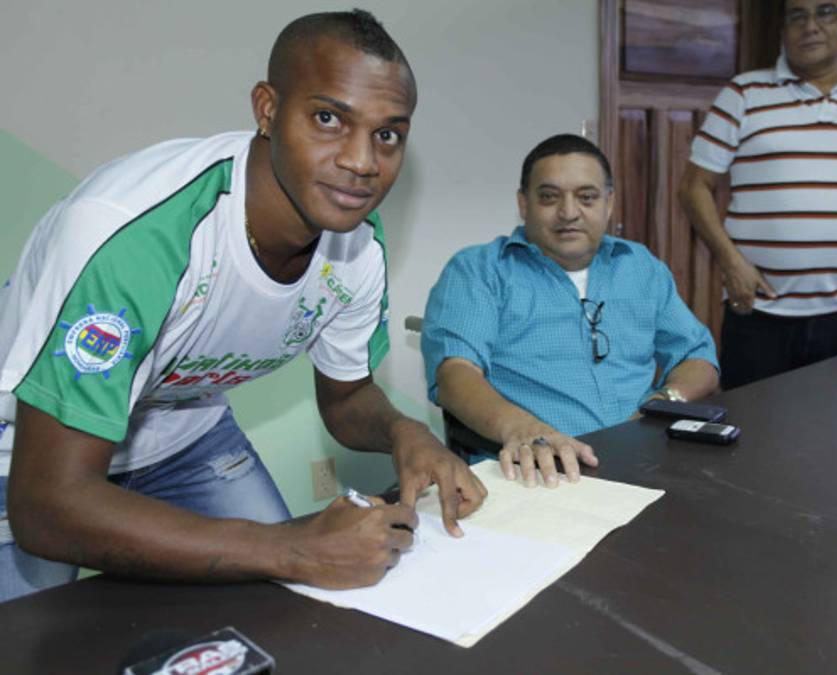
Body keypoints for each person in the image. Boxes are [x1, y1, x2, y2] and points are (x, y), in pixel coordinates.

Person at [0, 10, 487, 603]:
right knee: (37, 642)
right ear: (267, 109)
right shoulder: (136, 236)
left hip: (184, 430)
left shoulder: (359, 246)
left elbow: (348, 397)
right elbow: (46, 506)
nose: (362, 162)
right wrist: (291, 546)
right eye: (329, 118)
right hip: (28, 455)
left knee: (282, 612)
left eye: (388, 134)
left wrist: (405, 431)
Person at [422, 134, 719, 488]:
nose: (568, 212)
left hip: (647, 460)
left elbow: (698, 356)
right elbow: (455, 374)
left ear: (608, 203)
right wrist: (525, 430)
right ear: (523, 203)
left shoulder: (639, 266)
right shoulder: (480, 270)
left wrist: (663, 401)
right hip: (538, 474)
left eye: (586, 197)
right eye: (549, 197)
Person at [678, 0, 837, 390]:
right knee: (751, 439)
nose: (810, 26)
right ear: (783, 29)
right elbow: (694, 186)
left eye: (826, 11)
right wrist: (730, 262)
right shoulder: (744, 94)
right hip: (757, 314)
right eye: (797, 15)